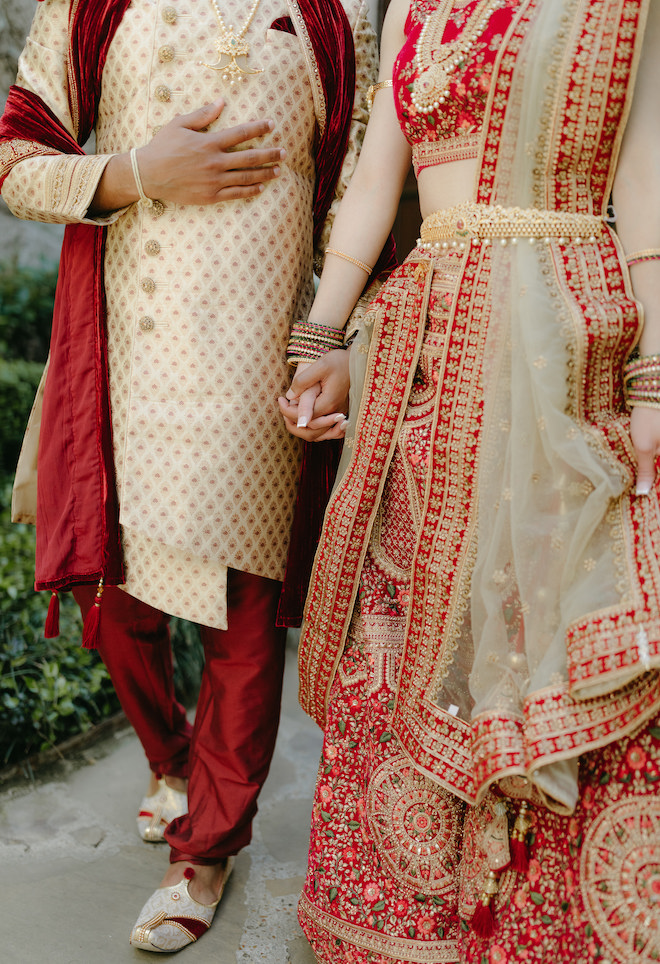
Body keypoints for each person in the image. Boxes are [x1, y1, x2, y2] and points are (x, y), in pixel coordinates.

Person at [279, 0, 660, 961]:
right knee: (404, 633)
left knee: (543, 629)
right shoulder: (412, 0)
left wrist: (656, 380)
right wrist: (322, 337)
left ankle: (529, 932)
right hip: (419, 352)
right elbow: (376, 179)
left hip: (560, 351)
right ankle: (399, 926)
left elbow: (650, 181)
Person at [0, 0, 384, 953]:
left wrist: (332, 337)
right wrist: (136, 172)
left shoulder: (333, 15)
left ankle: (204, 852)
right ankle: (170, 759)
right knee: (116, 605)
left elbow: (363, 188)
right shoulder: (90, 7)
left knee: (241, 617)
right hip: (123, 358)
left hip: (259, 362)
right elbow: (16, 156)